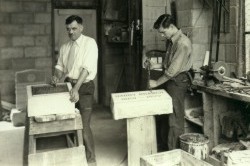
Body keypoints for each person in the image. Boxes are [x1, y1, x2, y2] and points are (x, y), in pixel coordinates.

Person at [51, 15, 98, 164]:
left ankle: (91, 160)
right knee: (69, 123)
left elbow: (86, 69)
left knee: (83, 126)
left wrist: (76, 89)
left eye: (74, 28)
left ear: (81, 28)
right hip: (68, 85)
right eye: (68, 29)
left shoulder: (89, 43)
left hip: (84, 86)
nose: (71, 32)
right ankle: (74, 157)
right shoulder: (65, 47)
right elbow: (60, 68)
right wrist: (56, 77)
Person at [146, 14, 193, 150]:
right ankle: (165, 147)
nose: (162, 35)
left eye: (163, 32)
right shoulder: (172, 41)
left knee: (175, 120)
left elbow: (172, 71)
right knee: (165, 115)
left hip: (178, 82)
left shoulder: (182, 43)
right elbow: (168, 64)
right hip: (171, 80)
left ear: (171, 27)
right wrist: (153, 66)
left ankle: (174, 153)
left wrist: (156, 83)